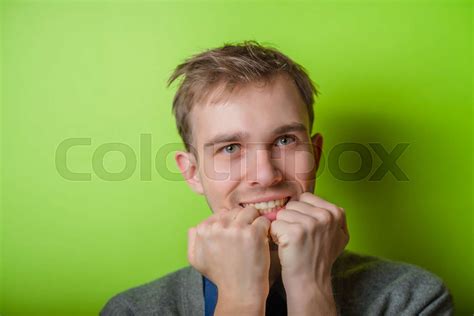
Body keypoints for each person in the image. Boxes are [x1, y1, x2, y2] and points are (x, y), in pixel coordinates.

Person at [100, 41, 453, 315]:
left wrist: (310, 288)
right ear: (192, 172)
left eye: (285, 140)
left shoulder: (411, 299)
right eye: (230, 148)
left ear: (314, 155)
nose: (266, 175)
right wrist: (240, 299)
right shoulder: (132, 310)